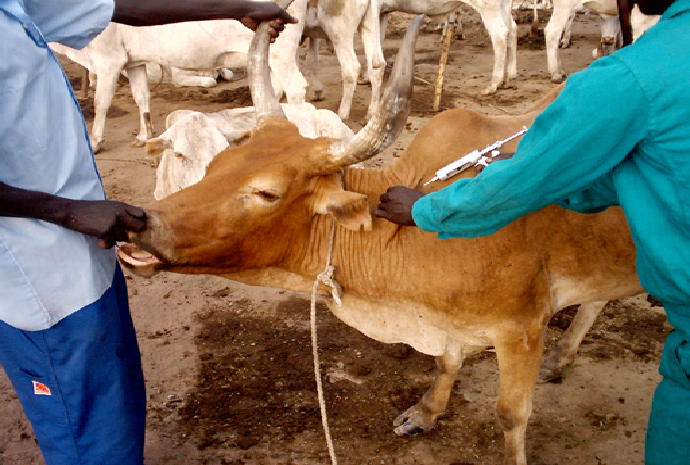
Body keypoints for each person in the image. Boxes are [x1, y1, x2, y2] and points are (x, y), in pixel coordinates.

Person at [374, 0, 690, 463]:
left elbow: (516, 190)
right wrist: (552, 178)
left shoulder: (629, 77)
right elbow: (654, 167)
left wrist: (427, 209)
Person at [0, 1, 296, 464]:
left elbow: (117, 6)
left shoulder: (16, 5)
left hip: (86, 257)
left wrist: (233, 8)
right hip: (37, 279)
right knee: (85, 429)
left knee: (115, 401)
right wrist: (68, 211)